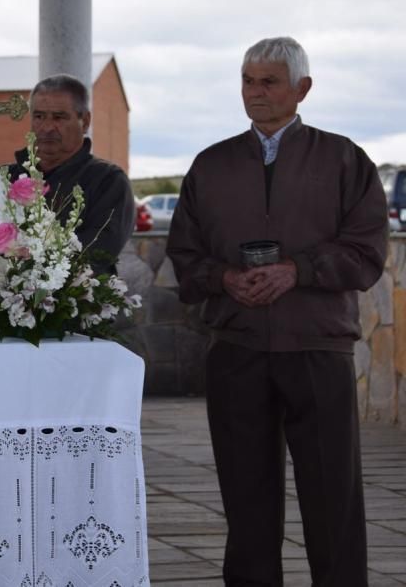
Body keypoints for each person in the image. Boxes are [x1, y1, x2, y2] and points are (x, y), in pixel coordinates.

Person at [167, 36, 388, 586]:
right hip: (237, 349)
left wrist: (298, 270)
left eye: (269, 82)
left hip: (317, 348)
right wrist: (224, 278)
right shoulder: (210, 166)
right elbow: (185, 257)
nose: (255, 92)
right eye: (247, 80)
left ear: (302, 89)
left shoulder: (343, 159)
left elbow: (367, 254)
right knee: (246, 502)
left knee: (332, 500)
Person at [8, 74, 135, 274]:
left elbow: (98, 251)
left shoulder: (108, 181)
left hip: (78, 301)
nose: (47, 127)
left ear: (84, 121)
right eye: (39, 116)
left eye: (59, 117)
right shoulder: (4, 178)